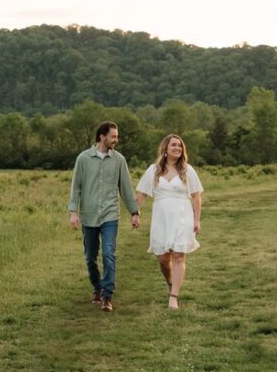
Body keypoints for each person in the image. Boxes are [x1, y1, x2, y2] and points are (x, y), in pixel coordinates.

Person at [68, 121, 140, 312]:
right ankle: (97, 287)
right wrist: (73, 212)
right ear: (102, 136)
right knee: (90, 257)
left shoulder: (119, 160)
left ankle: (107, 296)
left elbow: (126, 188)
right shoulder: (83, 159)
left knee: (108, 253)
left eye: (116, 136)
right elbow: (76, 187)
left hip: (110, 215)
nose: (116, 139)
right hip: (89, 215)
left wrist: (134, 212)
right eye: (113, 136)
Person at [136, 133, 203, 310]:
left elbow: (196, 196)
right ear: (165, 148)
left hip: (182, 215)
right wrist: (135, 213)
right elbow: (142, 194)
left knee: (178, 255)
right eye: (173, 145)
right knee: (163, 258)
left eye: (180, 146)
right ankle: (170, 281)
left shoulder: (187, 170)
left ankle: (174, 297)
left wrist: (197, 220)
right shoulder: (153, 170)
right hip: (161, 217)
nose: (177, 148)